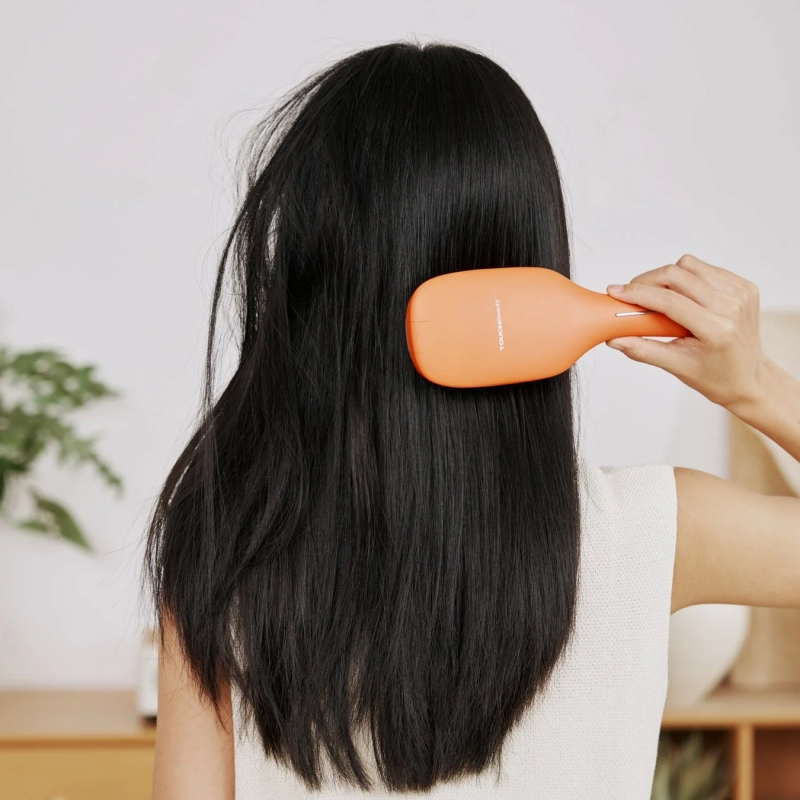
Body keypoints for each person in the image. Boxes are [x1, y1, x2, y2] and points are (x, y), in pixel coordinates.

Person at [146, 41, 800, 800]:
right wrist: (757, 386)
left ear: (309, 281)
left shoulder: (227, 546)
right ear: (530, 255)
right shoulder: (651, 532)